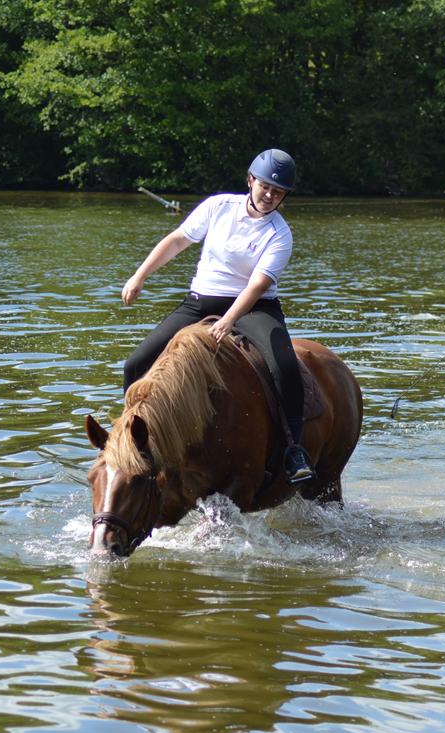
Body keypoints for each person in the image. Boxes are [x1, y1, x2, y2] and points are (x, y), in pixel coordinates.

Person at [120, 148, 314, 483]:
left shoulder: (279, 234)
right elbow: (178, 240)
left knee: (283, 365)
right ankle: (132, 439)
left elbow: (256, 286)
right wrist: (140, 276)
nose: (269, 195)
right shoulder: (218, 206)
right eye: (265, 186)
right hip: (201, 300)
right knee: (135, 364)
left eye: (278, 192)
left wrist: (229, 320)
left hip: (255, 307)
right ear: (251, 180)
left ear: (284, 196)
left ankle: (293, 447)